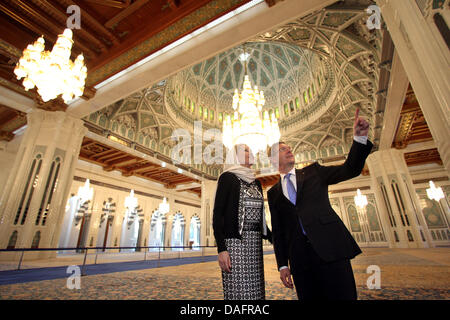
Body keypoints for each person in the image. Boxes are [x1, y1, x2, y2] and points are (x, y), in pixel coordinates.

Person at [267, 108, 372, 300]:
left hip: (330, 249)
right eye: (283, 149)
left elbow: (349, 169)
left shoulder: (314, 172)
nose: (289, 149)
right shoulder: (272, 193)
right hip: (300, 260)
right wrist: (283, 264)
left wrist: (360, 139)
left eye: (289, 147)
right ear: (273, 160)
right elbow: (279, 232)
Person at [213, 144, 272, 300]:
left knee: (256, 291)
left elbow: (261, 219)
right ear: (235, 156)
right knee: (238, 292)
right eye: (246, 150)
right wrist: (221, 249)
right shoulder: (228, 178)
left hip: (255, 244)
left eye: (251, 150)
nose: (251, 152)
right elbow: (218, 214)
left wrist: (276, 238)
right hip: (235, 245)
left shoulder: (256, 182)